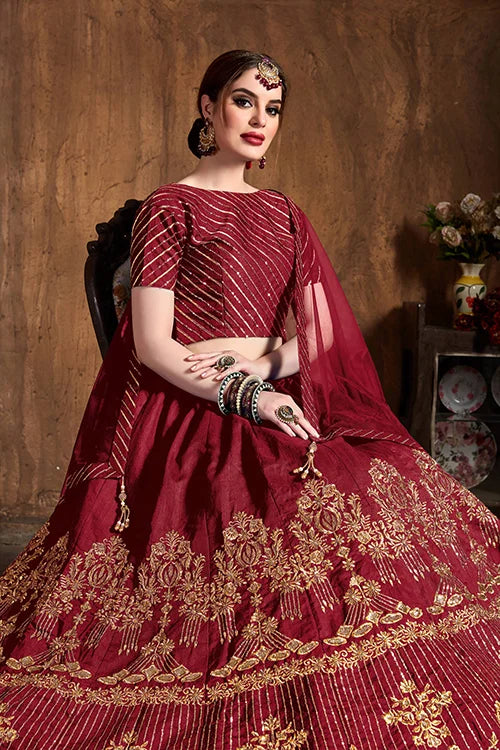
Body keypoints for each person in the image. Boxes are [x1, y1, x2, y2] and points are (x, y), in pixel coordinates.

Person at [0, 49, 498, 750]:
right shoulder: (169, 209)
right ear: (208, 108)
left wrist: (263, 367)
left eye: (273, 108)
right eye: (243, 101)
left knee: (369, 490)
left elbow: (322, 335)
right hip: (189, 405)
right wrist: (245, 396)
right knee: (266, 498)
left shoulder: (286, 215)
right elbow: (153, 346)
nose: (260, 119)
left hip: (275, 388)